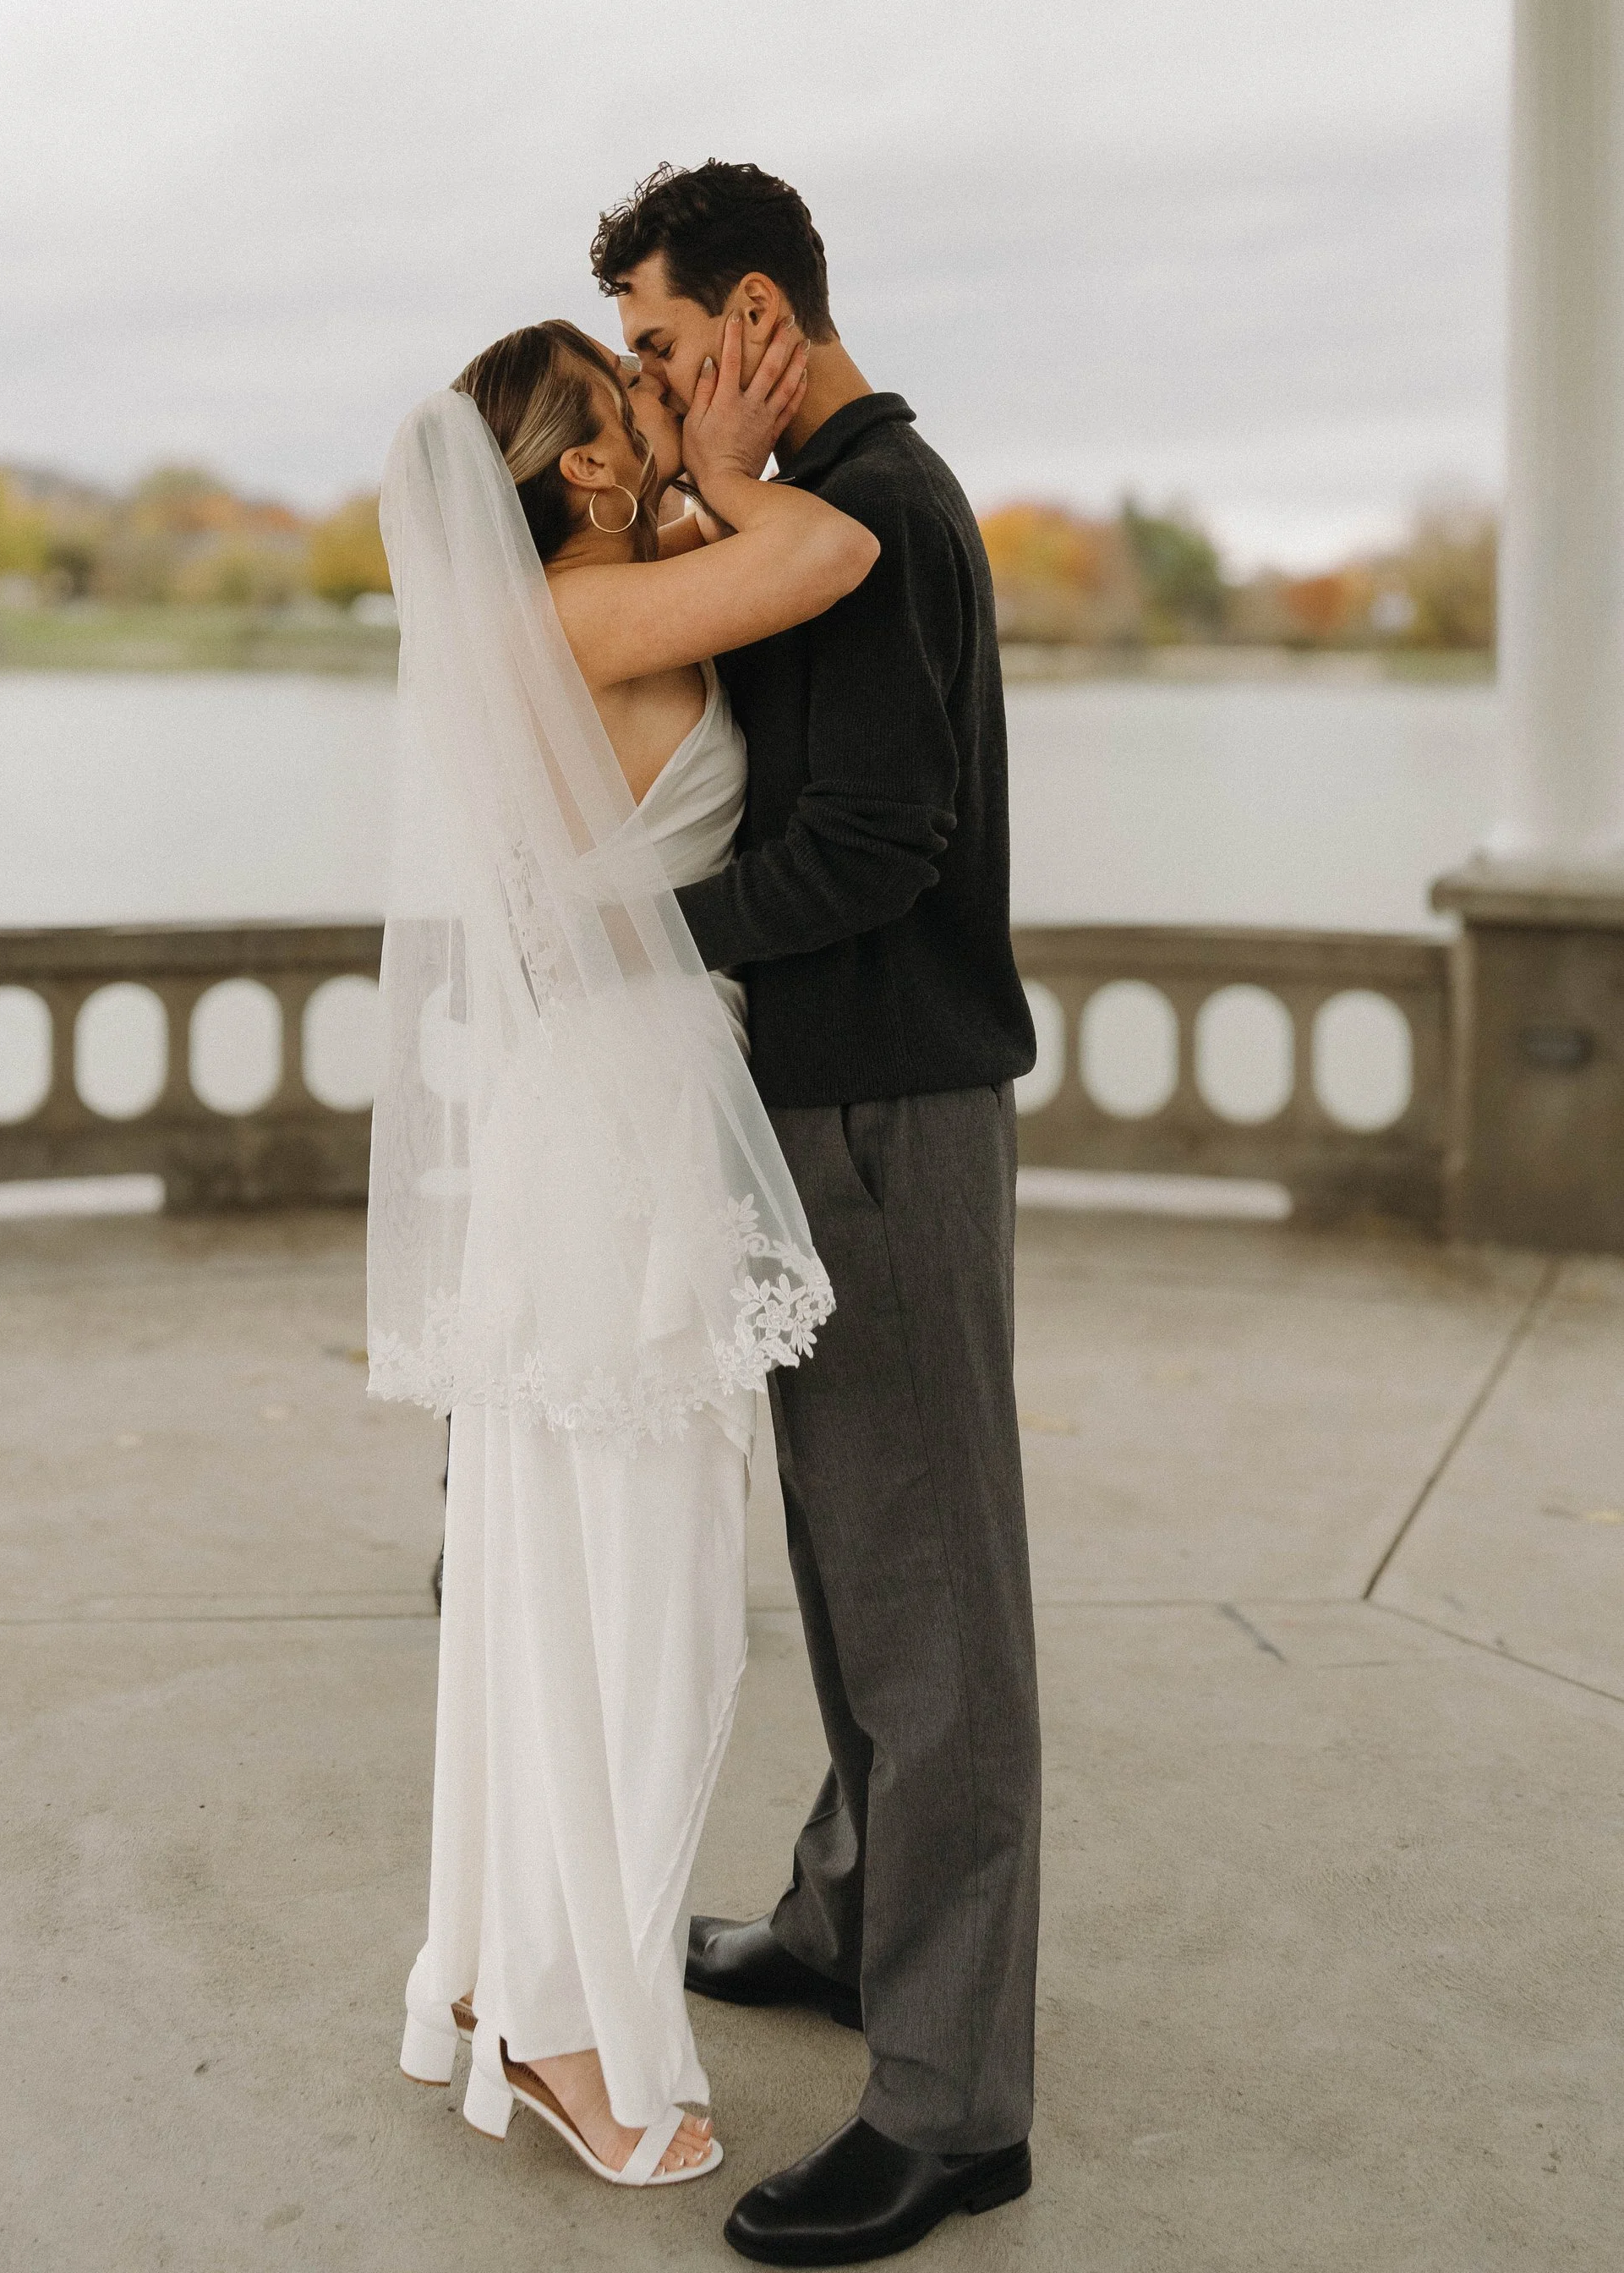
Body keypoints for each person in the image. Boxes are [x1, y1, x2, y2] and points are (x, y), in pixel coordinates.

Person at [592, 160, 1042, 2265]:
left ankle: (952, 2109)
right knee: (854, 1562)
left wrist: (640, 944)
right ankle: (844, 1916)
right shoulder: (816, 501)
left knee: (930, 1603)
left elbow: (868, 843)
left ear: (758, 314)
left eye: (671, 350)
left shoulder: (888, 511)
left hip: (885, 1112)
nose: (658, 395)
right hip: (819, 1104)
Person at [370, 316, 875, 2188]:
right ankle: (573, 2027)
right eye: (646, 398)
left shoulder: (580, 604)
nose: (684, 411)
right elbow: (829, 556)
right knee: (643, 1607)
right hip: (624, 1135)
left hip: (585, 1119)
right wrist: (737, 474)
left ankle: (509, 1984)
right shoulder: (583, 619)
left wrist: (679, 473)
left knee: (555, 1582)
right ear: (581, 465)